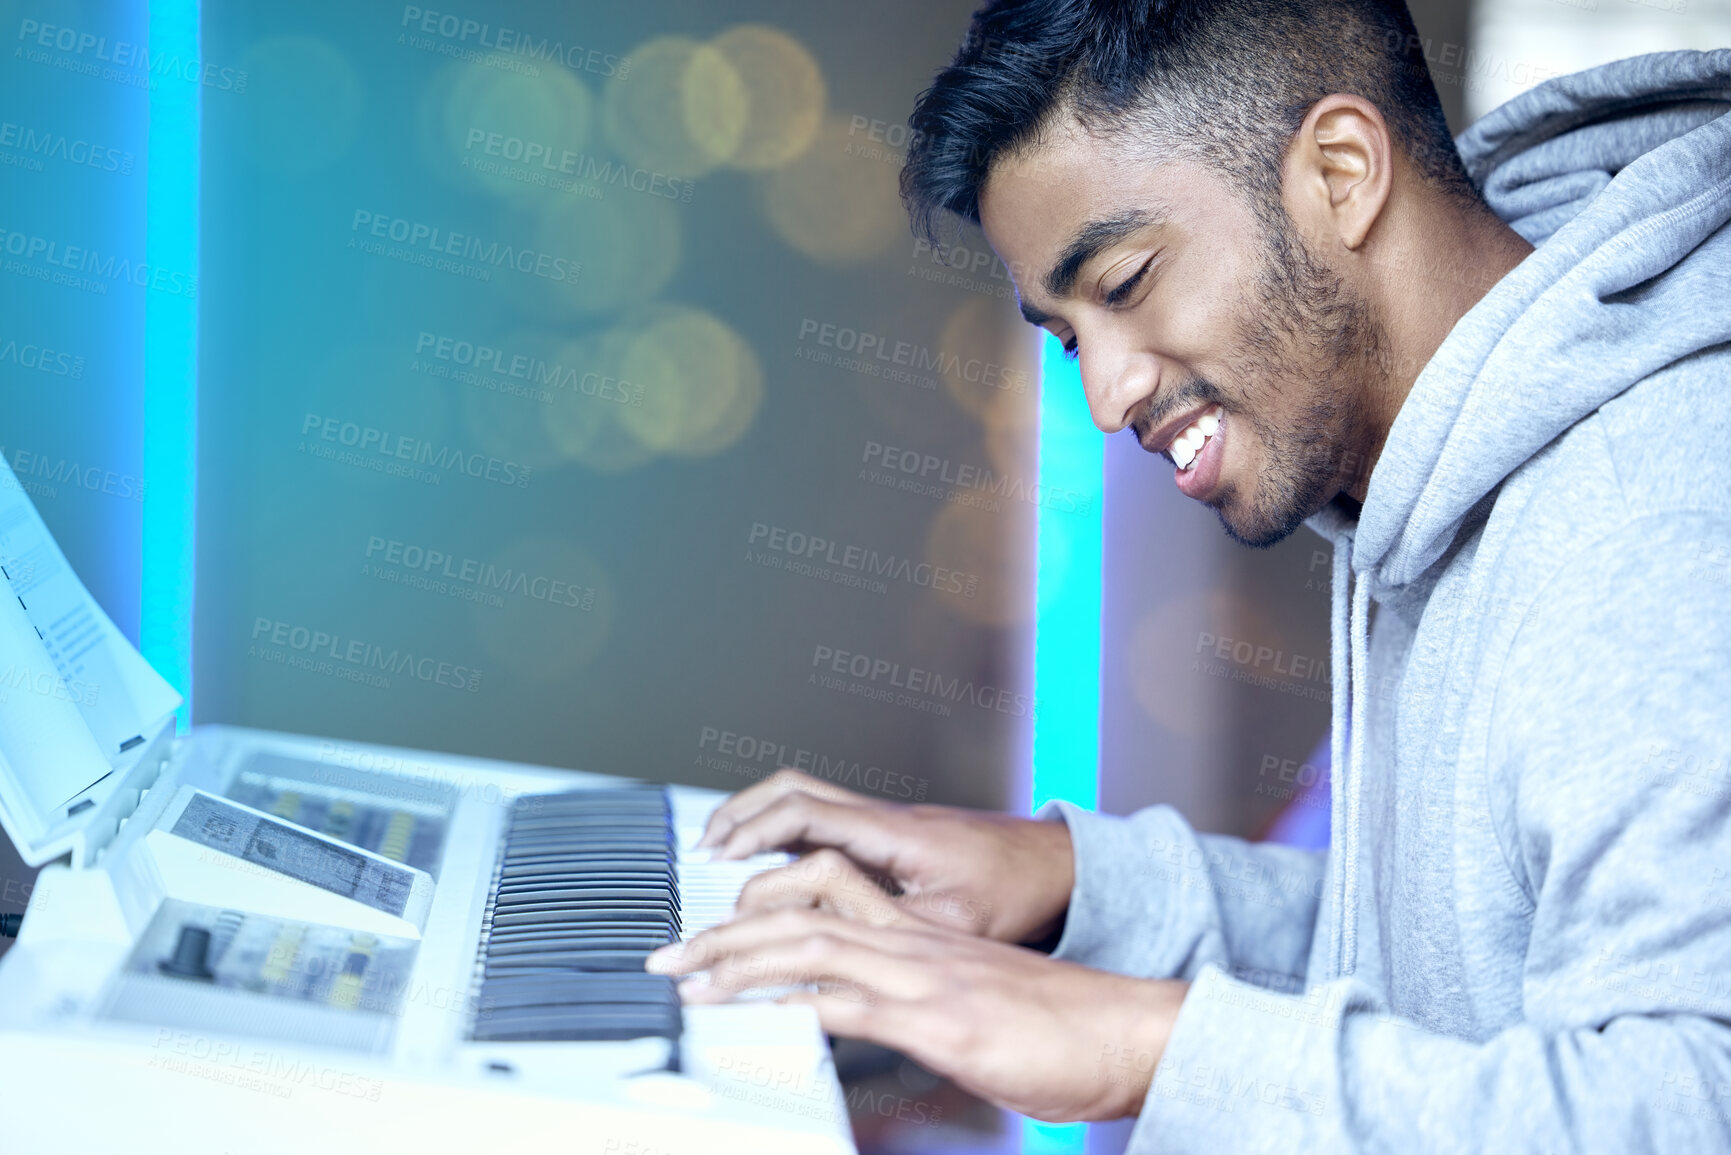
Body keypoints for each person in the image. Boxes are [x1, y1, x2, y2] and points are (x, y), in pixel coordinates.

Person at [648, 0, 1731, 1147]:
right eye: (1069, 336)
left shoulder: (1648, 518)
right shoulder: (1442, 455)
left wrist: (1140, 1044)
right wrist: (1072, 882)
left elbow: (1689, 1099)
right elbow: (1465, 960)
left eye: (1121, 286)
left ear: (1343, 171)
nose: (1106, 398)